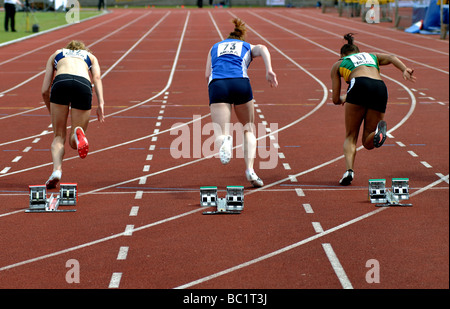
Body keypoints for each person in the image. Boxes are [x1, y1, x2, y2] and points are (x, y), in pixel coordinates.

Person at [330, 33, 416, 186]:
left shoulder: (339, 63)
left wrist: (345, 98)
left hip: (358, 85)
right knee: (368, 142)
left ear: (342, 55)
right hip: (380, 88)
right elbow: (391, 57)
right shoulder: (371, 56)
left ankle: (349, 171)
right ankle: (378, 132)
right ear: (358, 51)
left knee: (351, 136)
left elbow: (335, 99)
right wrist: (404, 69)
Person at [205, 18, 278, 187]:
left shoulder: (214, 47)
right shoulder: (246, 46)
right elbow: (263, 48)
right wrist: (269, 70)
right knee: (248, 128)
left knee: (220, 132)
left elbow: (207, 74)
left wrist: (215, 92)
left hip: (218, 85)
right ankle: (250, 170)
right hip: (240, 83)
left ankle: (224, 140)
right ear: (240, 38)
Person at [41, 40, 105, 189]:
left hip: (61, 82)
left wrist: (52, 111)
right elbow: (96, 78)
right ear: (83, 49)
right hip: (83, 84)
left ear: (67, 49)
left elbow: (45, 90)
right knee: (72, 142)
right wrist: (101, 102)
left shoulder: (57, 54)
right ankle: (78, 134)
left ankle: (57, 171)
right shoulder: (90, 56)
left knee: (58, 136)